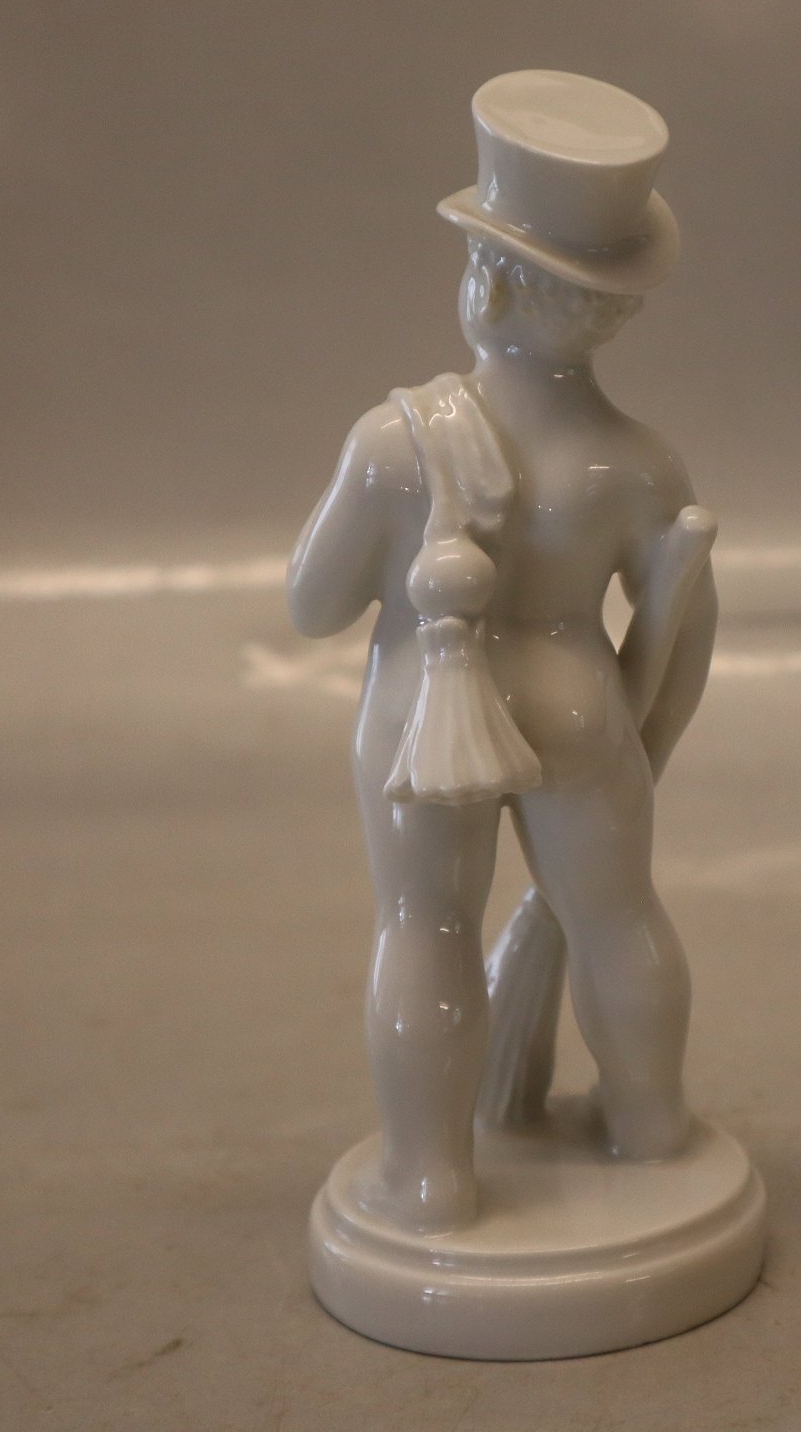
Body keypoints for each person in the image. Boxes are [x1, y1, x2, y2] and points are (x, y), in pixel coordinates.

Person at [288, 71, 718, 1233]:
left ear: (487, 280)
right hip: (580, 703)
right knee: (616, 916)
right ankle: (651, 1128)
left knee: (424, 927)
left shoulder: (391, 444)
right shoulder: (639, 464)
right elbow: (683, 631)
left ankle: (428, 1179)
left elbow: (313, 605)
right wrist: (643, 746)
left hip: (422, 713)